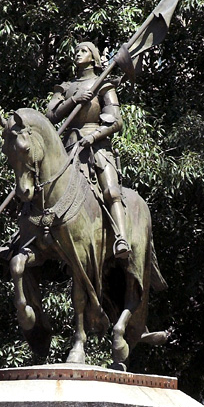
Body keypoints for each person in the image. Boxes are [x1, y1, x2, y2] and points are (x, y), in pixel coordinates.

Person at [46, 42, 131, 259]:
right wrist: (74, 100)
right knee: (42, 187)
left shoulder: (103, 85)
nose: (77, 54)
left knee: (111, 190)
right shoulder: (65, 87)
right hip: (68, 146)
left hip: (97, 145)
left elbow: (116, 122)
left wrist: (93, 137)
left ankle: (121, 237)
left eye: (83, 51)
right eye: (76, 51)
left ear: (93, 57)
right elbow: (50, 115)